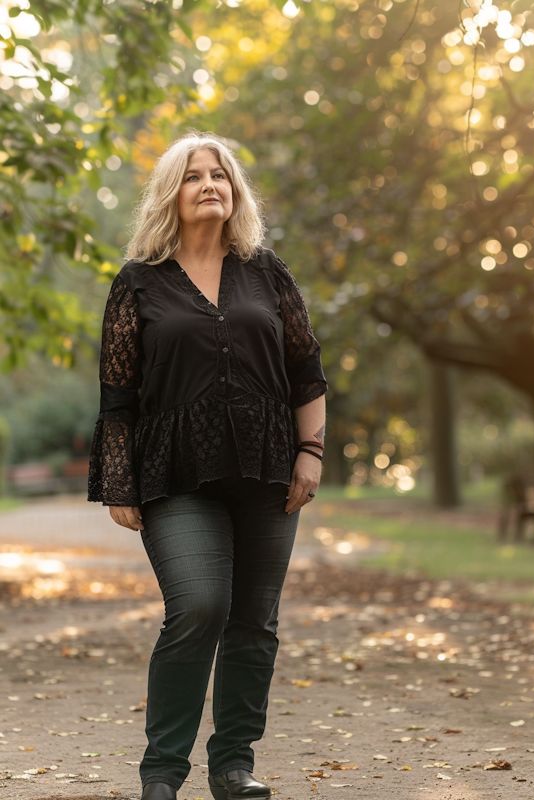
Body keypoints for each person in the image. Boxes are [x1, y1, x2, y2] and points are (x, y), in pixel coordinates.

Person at [87, 131, 327, 800]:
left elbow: (306, 373)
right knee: (199, 605)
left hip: (268, 467)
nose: (210, 184)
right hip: (175, 472)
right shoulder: (137, 283)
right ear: (173, 193)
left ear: (235, 191)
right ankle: (163, 773)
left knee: (255, 618)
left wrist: (310, 455)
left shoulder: (268, 272)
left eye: (220, 174)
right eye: (194, 176)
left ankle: (233, 766)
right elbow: (118, 393)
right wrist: (118, 480)